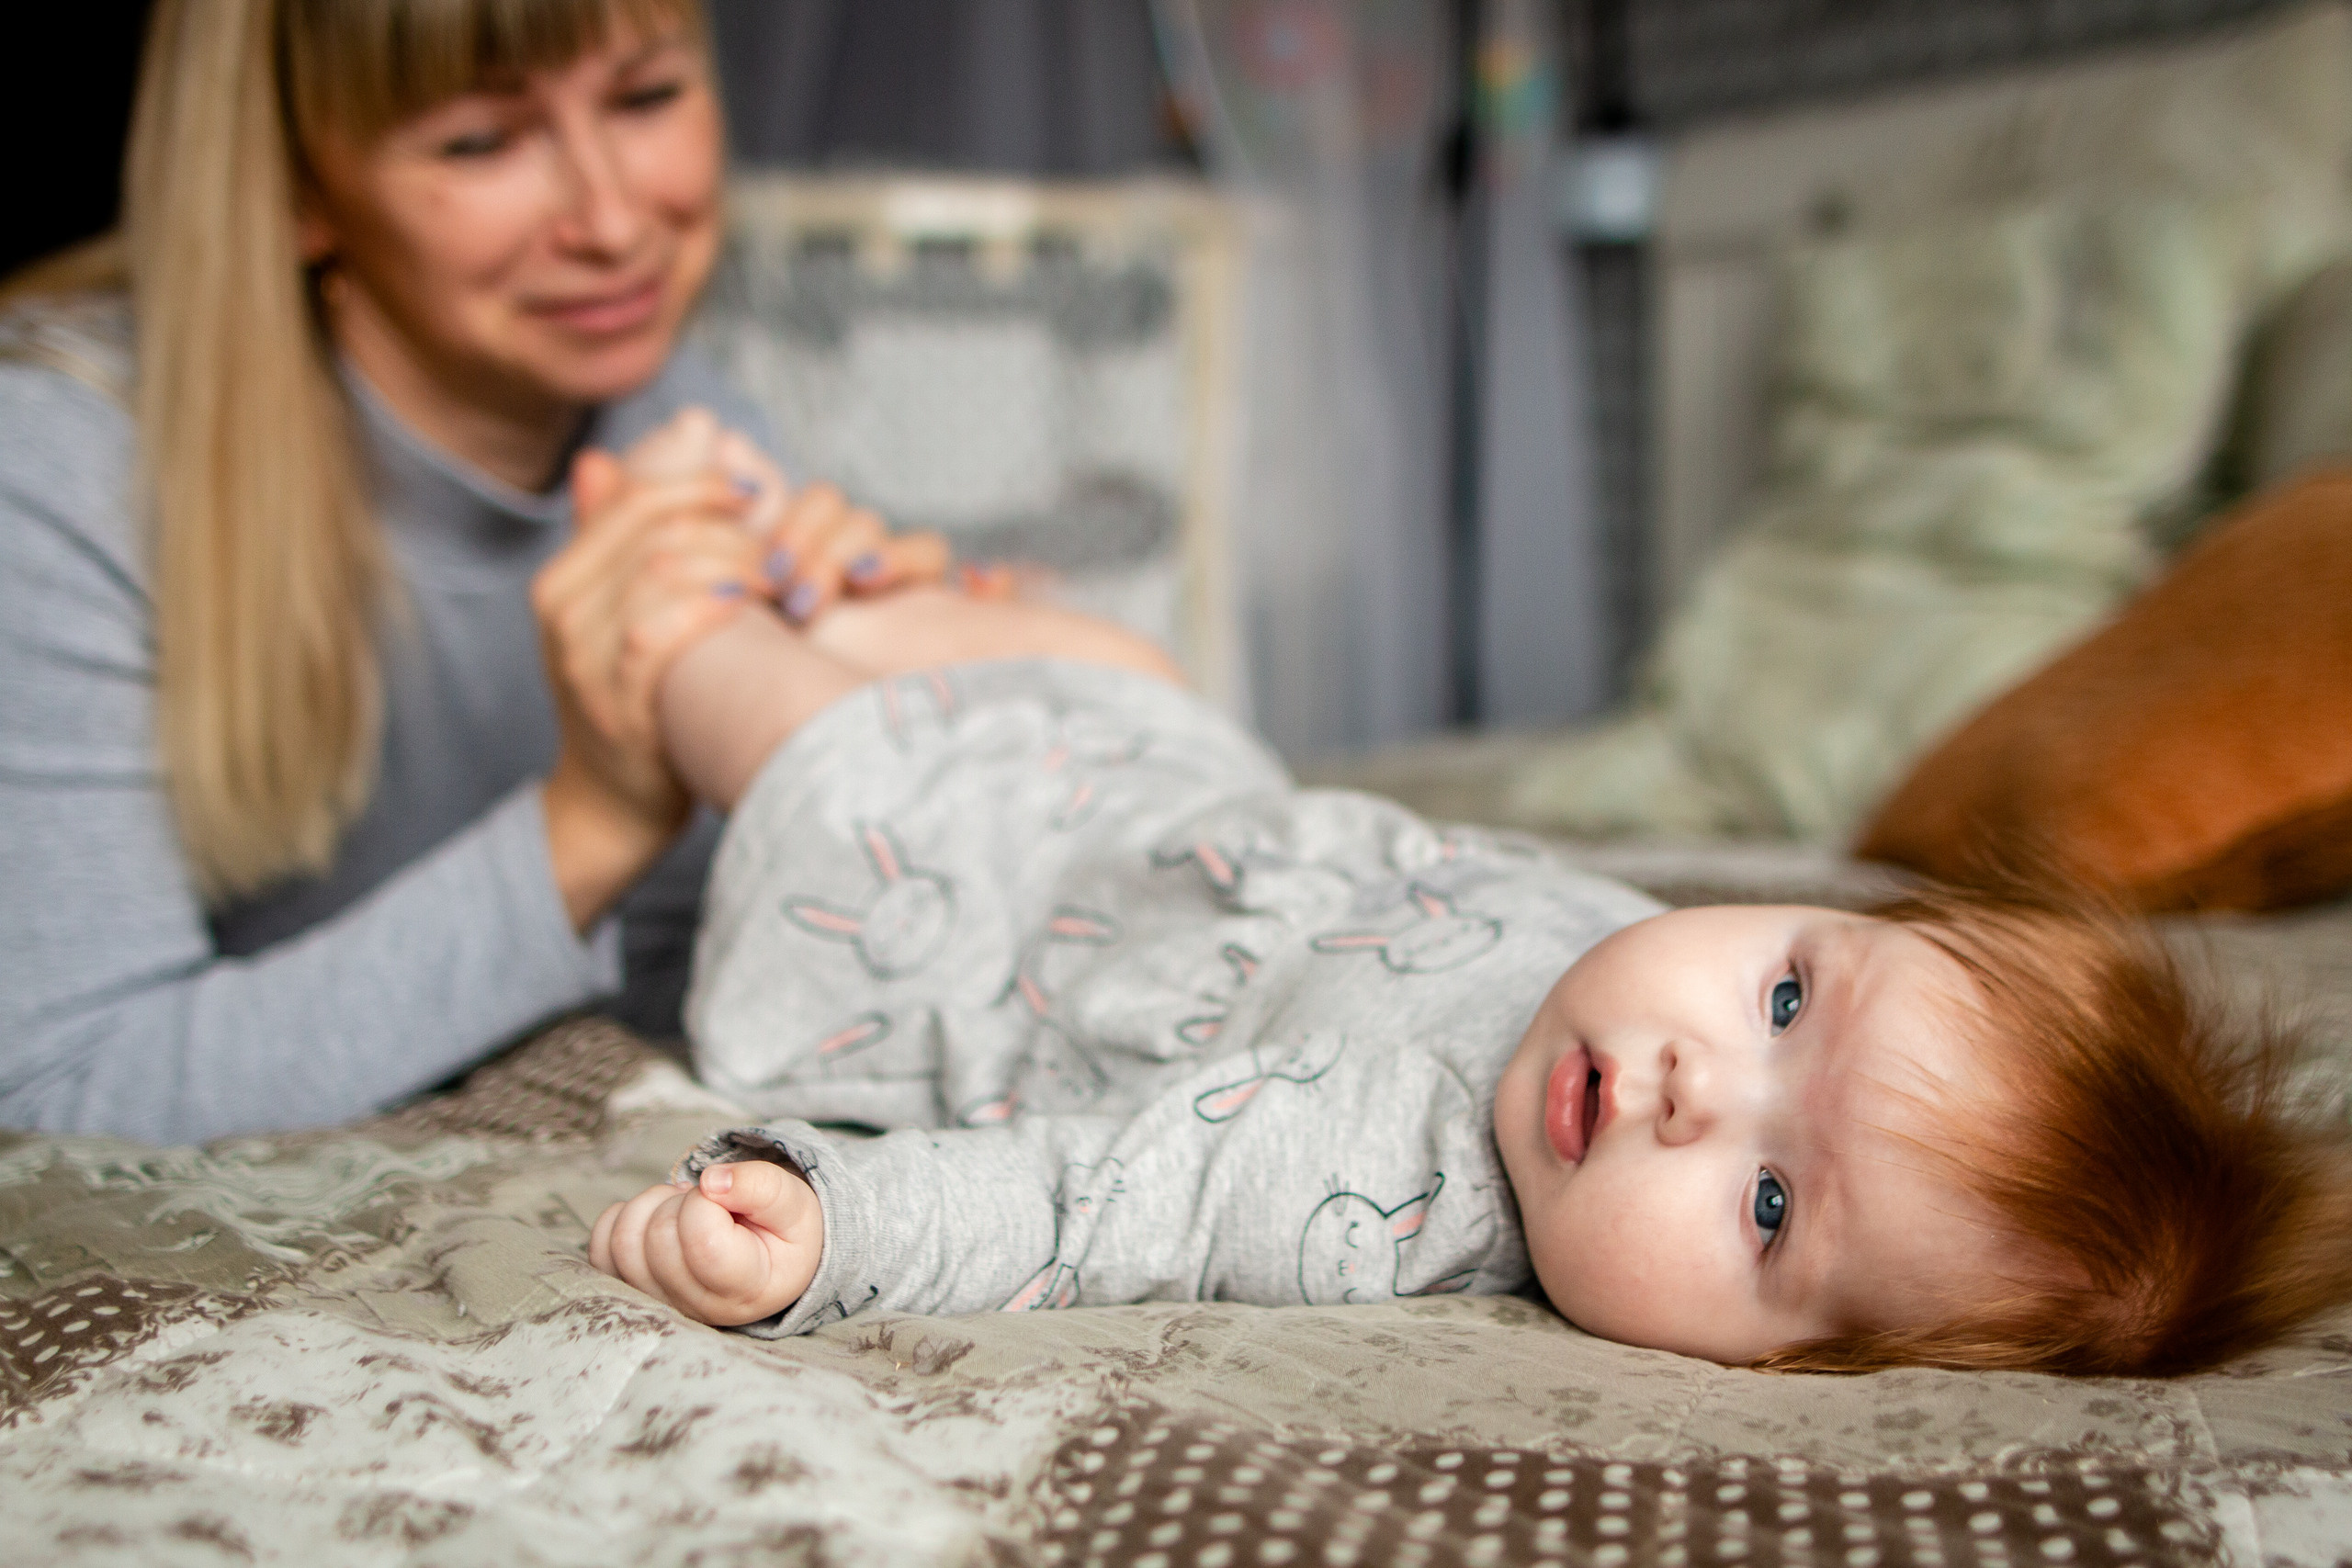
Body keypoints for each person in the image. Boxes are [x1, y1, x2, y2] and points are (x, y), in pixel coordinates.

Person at [588, 533, 2352, 1373]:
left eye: (1767, 1206)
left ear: (1786, 1366)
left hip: (970, 926)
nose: (1690, 1082)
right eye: (1791, 997)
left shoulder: (1388, 1185)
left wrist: (839, 1226)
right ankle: (804, 567)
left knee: (789, 722)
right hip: (1180, 821)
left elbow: (1089, 1206)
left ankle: (675, 600)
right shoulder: (1639, 963)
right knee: (1090, 659)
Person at [0, 0, 946, 1144]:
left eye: (646, 98)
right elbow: (60, 1095)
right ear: (298, 185)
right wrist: (590, 823)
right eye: (481, 142)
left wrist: (875, 657)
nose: (610, 220)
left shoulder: (686, 416)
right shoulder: (57, 469)